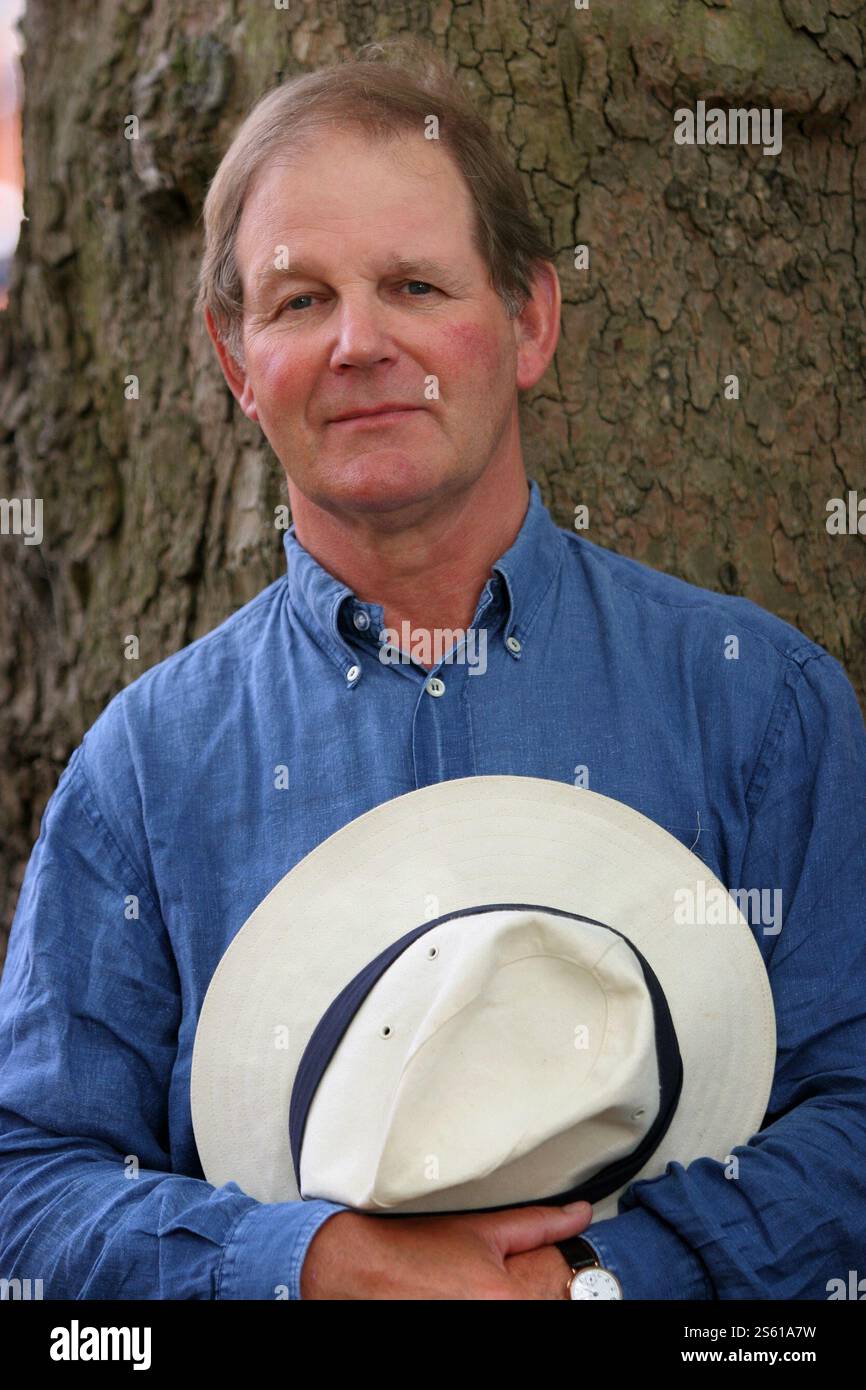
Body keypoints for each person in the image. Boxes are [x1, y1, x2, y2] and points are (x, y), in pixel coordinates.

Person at [1, 37, 865, 1302]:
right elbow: (27, 1180)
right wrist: (310, 1265)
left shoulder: (760, 705)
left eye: (413, 284)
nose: (359, 342)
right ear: (239, 363)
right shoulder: (144, 770)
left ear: (527, 322)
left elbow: (854, 1108)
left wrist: (596, 1278)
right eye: (299, 300)